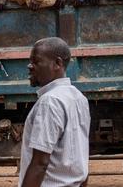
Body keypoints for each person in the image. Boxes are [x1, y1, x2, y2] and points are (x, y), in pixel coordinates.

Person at [20, 37, 90, 187]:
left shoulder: (50, 102)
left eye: (36, 61)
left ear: (57, 64)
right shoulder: (78, 98)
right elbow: (81, 156)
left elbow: (40, 163)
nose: (29, 66)